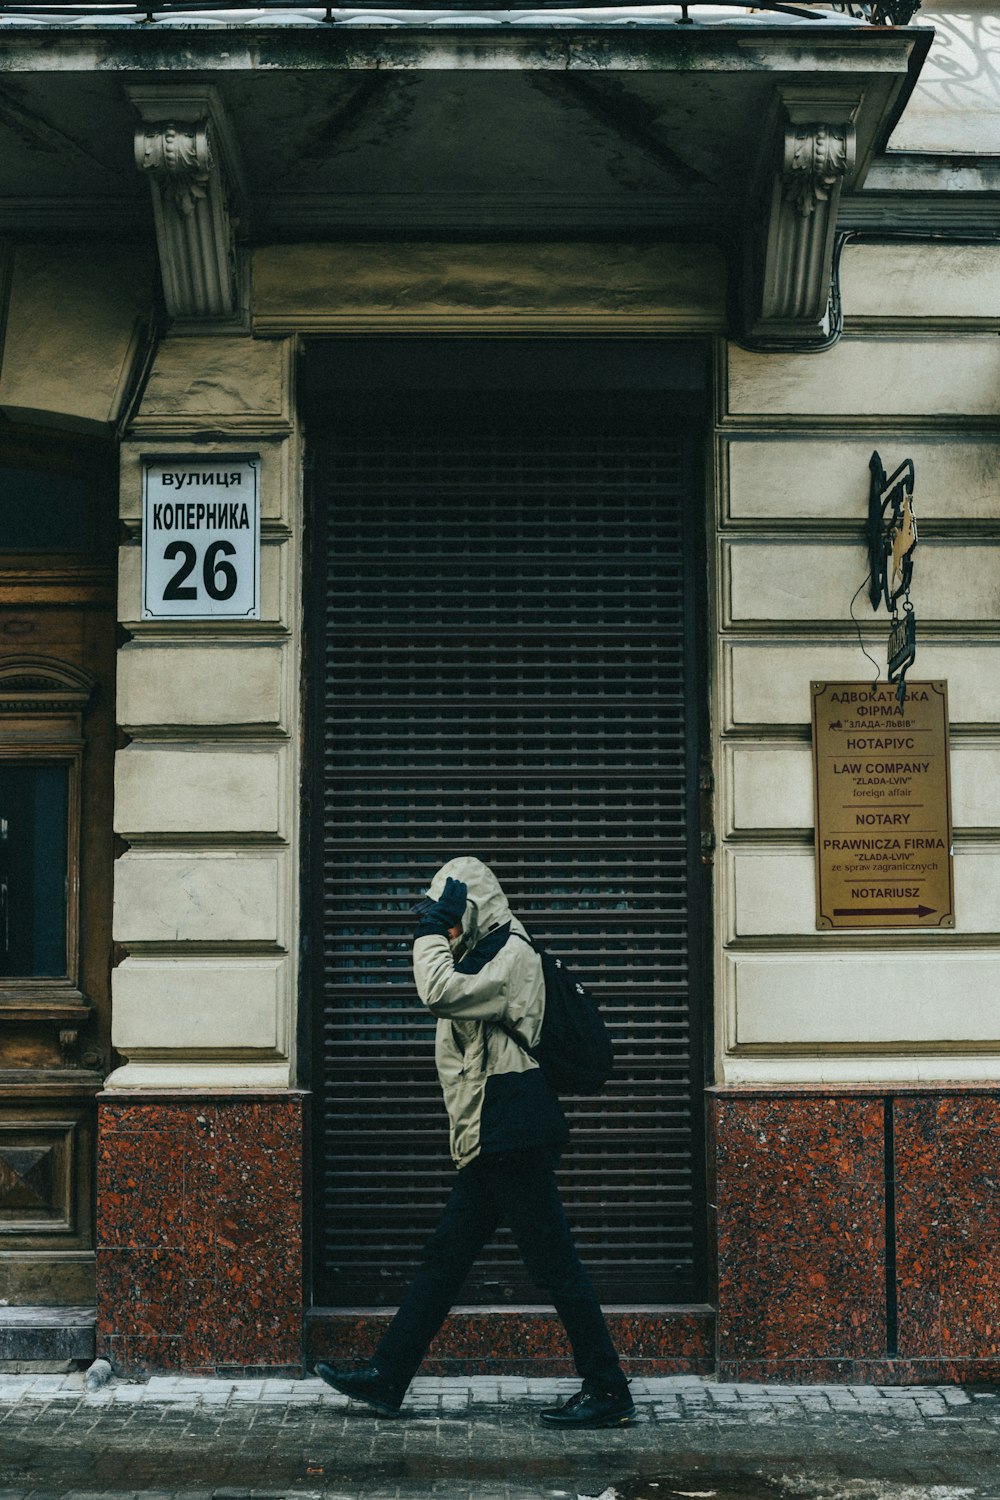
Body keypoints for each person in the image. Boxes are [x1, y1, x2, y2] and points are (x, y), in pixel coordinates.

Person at [316, 855, 635, 1428]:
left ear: (474, 907)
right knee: (446, 1257)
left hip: (513, 1129)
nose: (448, 928)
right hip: (497, 1131)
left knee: (554, 1265)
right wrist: (443, 927)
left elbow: (436, 990)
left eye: (453, 917)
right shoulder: (483, 954)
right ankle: (389, 1376)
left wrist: (429, 930)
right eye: (443, 920)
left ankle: (609, 1388)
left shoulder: (510, 954)